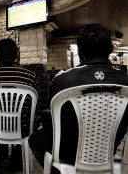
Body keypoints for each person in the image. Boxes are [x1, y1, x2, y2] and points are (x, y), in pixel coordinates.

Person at [28, 23, 128, 172]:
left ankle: (63, 171)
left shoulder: (62, 79)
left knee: (36, 139)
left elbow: (56, 114)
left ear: (80, 52)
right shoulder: (125, 80)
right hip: (107, 149)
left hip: (69, 152)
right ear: (111, 49)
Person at [0, 38, 38, 172]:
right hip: (23, 128)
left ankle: (0, 158)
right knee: (32, 118)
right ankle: (17, 160)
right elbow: (37, 105)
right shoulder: (30, 75)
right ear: (17, 54)